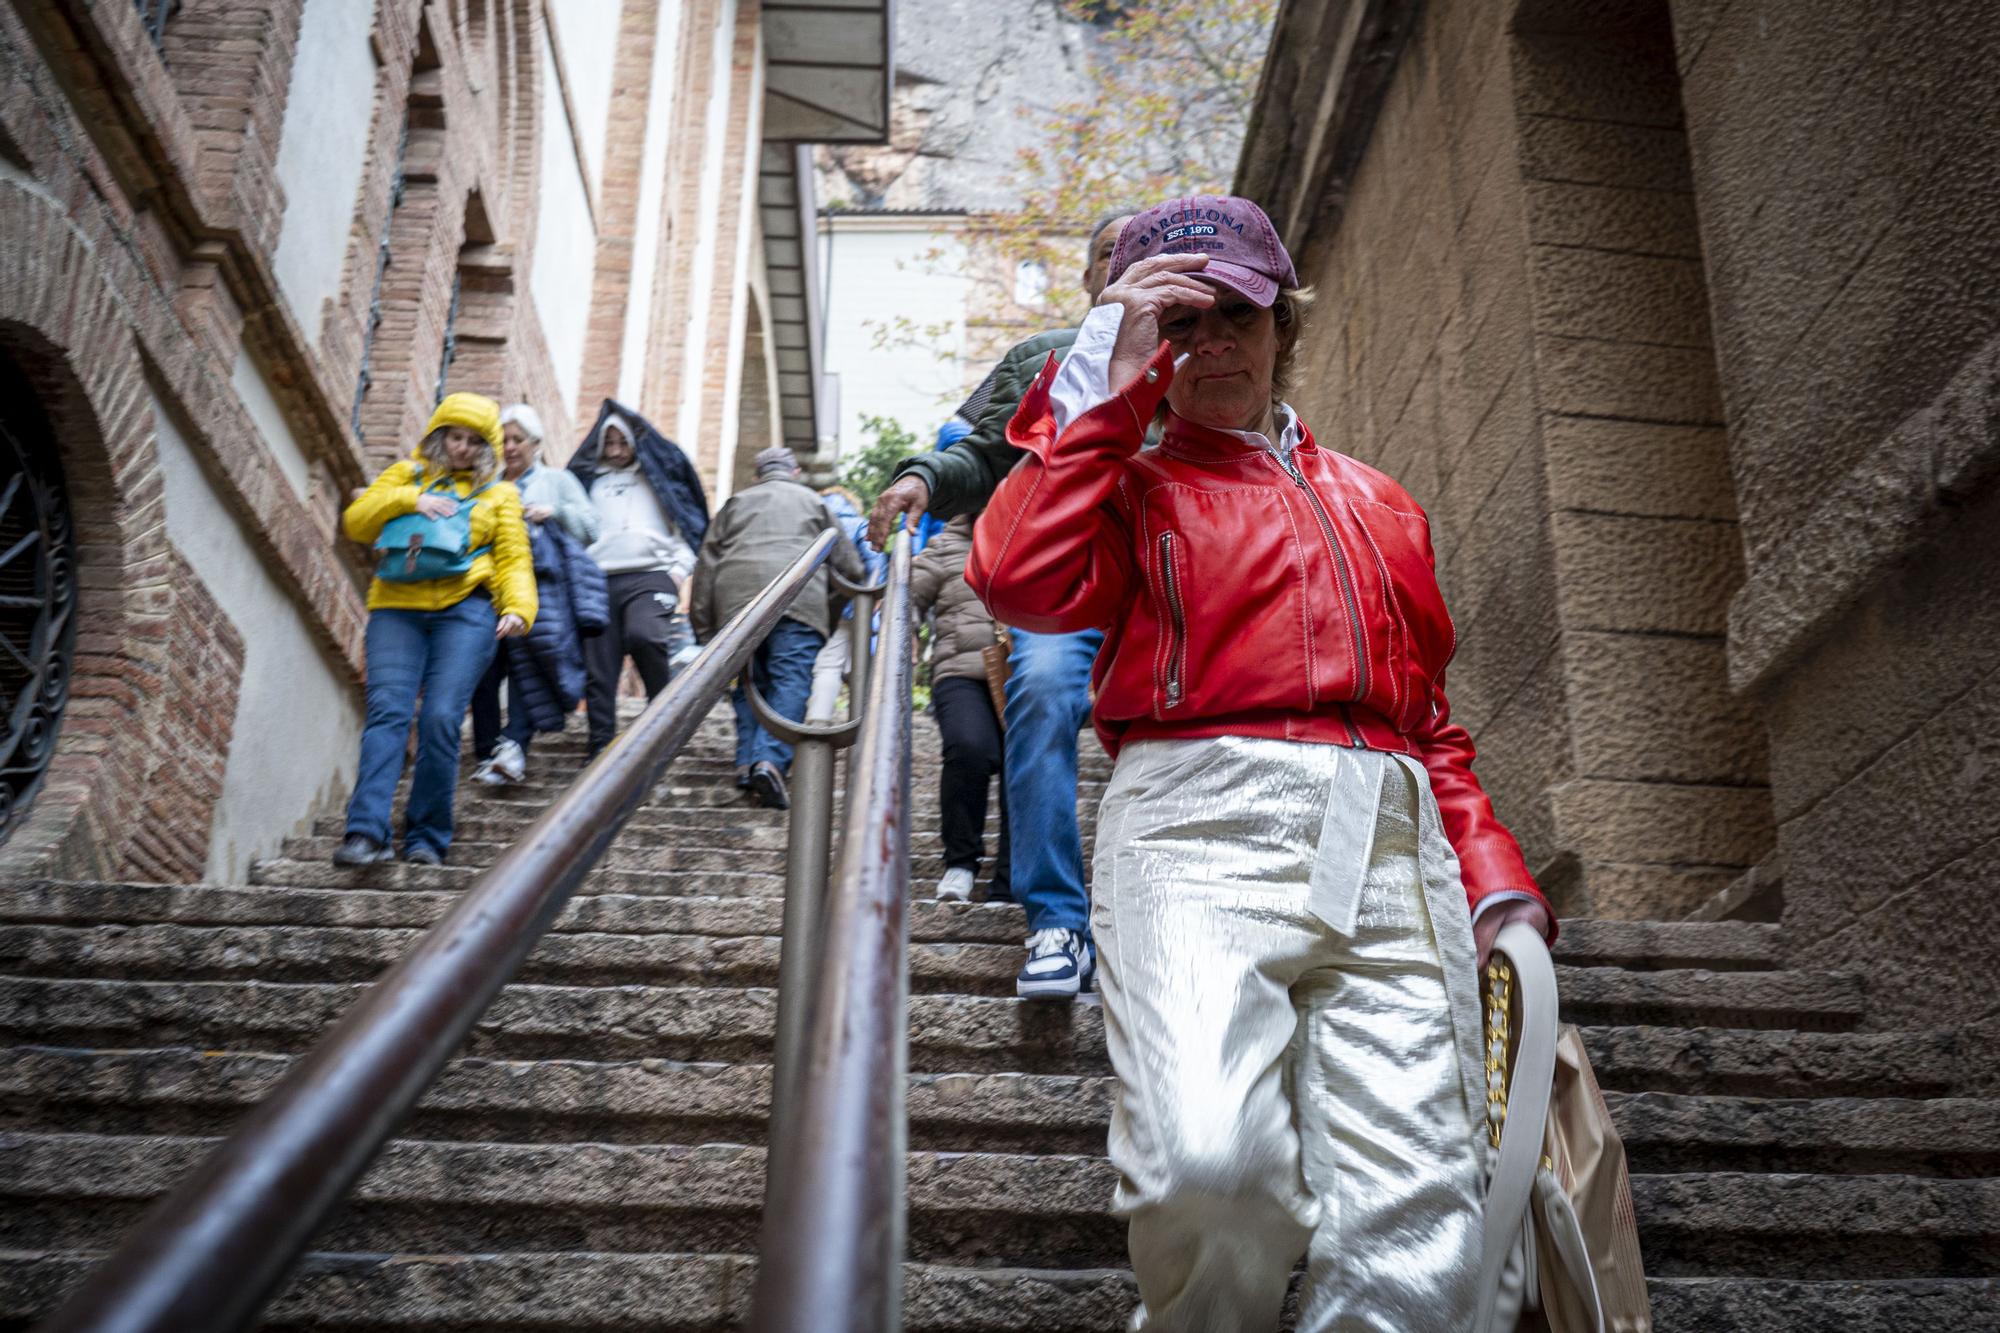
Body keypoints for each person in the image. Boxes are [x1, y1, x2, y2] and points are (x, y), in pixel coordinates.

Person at [966, 195, 1555, 1330]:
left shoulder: (1381, 503)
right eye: (1179, 324)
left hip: (1391, 836)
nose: (1213, 344)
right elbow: (1018, 578)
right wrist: (1106, 363)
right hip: (1192, 822)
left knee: (1416, 1223)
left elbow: (1426, 717)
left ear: (1282, 322)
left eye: (1235, 311)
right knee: (1206, 1167)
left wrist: (1492, 876)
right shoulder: (1119, 485)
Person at [867, 209, 1135, 1000]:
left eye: (1140, 250)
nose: (1123, 264)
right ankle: (1057, 920)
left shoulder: (1193, 350)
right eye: (1107, 254)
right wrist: (920, 475)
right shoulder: (1040, 359)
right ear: (1087, 278)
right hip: (1066, 585)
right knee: (1041, 693)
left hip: (1171, 579)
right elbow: (980, 455)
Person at [333, 392, 535, 867]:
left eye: (473, 441)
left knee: (442, 718)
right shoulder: (408, 474)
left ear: (486, 447)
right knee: (387, 713)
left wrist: (519, 608)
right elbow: (356, 524)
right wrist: (412, 500)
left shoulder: (499, 493)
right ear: (438, 436)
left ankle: (426, 837)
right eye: (454, 437)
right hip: (397, 608)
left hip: (465, 611)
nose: (462, 448)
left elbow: (513, 558)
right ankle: (366, 832)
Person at [690, 445, 863, 809]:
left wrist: (705, 628)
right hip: (799, 601)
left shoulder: (736, 503)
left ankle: (745, 762)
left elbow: (706, 565)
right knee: (790, 678)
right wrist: (827, 612)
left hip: (737, 605)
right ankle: (769, 761)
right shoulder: (815, 503)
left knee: (749, 682)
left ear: (758, 475)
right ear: (795, 472)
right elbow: (850, 567)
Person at [568, 400, 710, 759]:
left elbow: (688, 529)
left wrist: (678, 573)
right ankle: (600, 743)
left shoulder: (659, 482)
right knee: (600, 667)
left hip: (651, 576)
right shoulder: (591, 484)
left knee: (645, 636)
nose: (615, 451)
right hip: (598, 579)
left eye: (623, 442)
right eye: (609, 443)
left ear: (636, 442)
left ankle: (661, 719)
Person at [471, 403, 601, 785]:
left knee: (530, 672)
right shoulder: (488, 484)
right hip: (489, 592)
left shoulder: (557, 481)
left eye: (518, 440)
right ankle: (489, 749)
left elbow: (592, 528)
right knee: (484, 671)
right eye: (504, 440)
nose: (510, 447)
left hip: (542, 594)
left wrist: (555, 511)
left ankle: (513, 747)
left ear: (536, 444)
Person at [908, 514, 1010, 903]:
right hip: (959, 671)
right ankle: (960, 863)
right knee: (969, 748)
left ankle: (1010, 877)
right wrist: (907, 630)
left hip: (1022, 671)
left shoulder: (1031, 529)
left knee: (1024, 768)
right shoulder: (947, 544)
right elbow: (907, 596)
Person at [805, 484, 888, 723]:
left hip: (817, 606)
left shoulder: (814, 525)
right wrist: (875, 599)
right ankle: (864, 723)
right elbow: (875, 563)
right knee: (859, 665)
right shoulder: (860, 525)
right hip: (855, 604)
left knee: (828, 664)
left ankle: (818, 719)